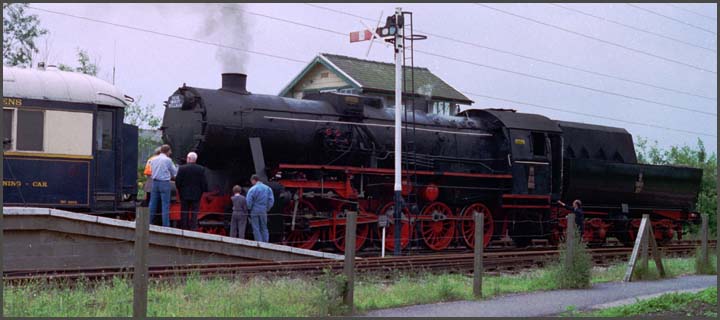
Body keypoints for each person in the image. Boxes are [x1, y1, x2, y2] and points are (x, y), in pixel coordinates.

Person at [174, 152, 208, 230]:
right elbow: (204, 182)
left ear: (188, 159)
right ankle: (193, 228)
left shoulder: (182, 168)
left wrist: (180, 190)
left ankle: (184, 228)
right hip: (196, 195)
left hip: (184, 194)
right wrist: (202, 191)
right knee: (195, 213)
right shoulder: (201, 169)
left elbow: (178, 181)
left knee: (184, 212)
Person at [148, 144, 177, 227]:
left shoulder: (153, 159)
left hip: (155, 183)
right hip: (164, 183)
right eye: (170, 151)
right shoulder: (168, 160)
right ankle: (165, 226)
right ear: (168, 151)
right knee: (165, 205)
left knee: (152, 203)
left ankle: (149, 223)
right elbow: (174, 172)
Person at [246, 174, 274, 242]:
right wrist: (267, 208)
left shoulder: (252, 189)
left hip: (254, 210)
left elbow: (248, 201)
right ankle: (265, 242)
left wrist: (249, 208)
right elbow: (271, 200)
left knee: (256, 227)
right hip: (263, 210)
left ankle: (259, 242)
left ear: (253, 180)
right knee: (264, 227)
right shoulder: (268, 188)